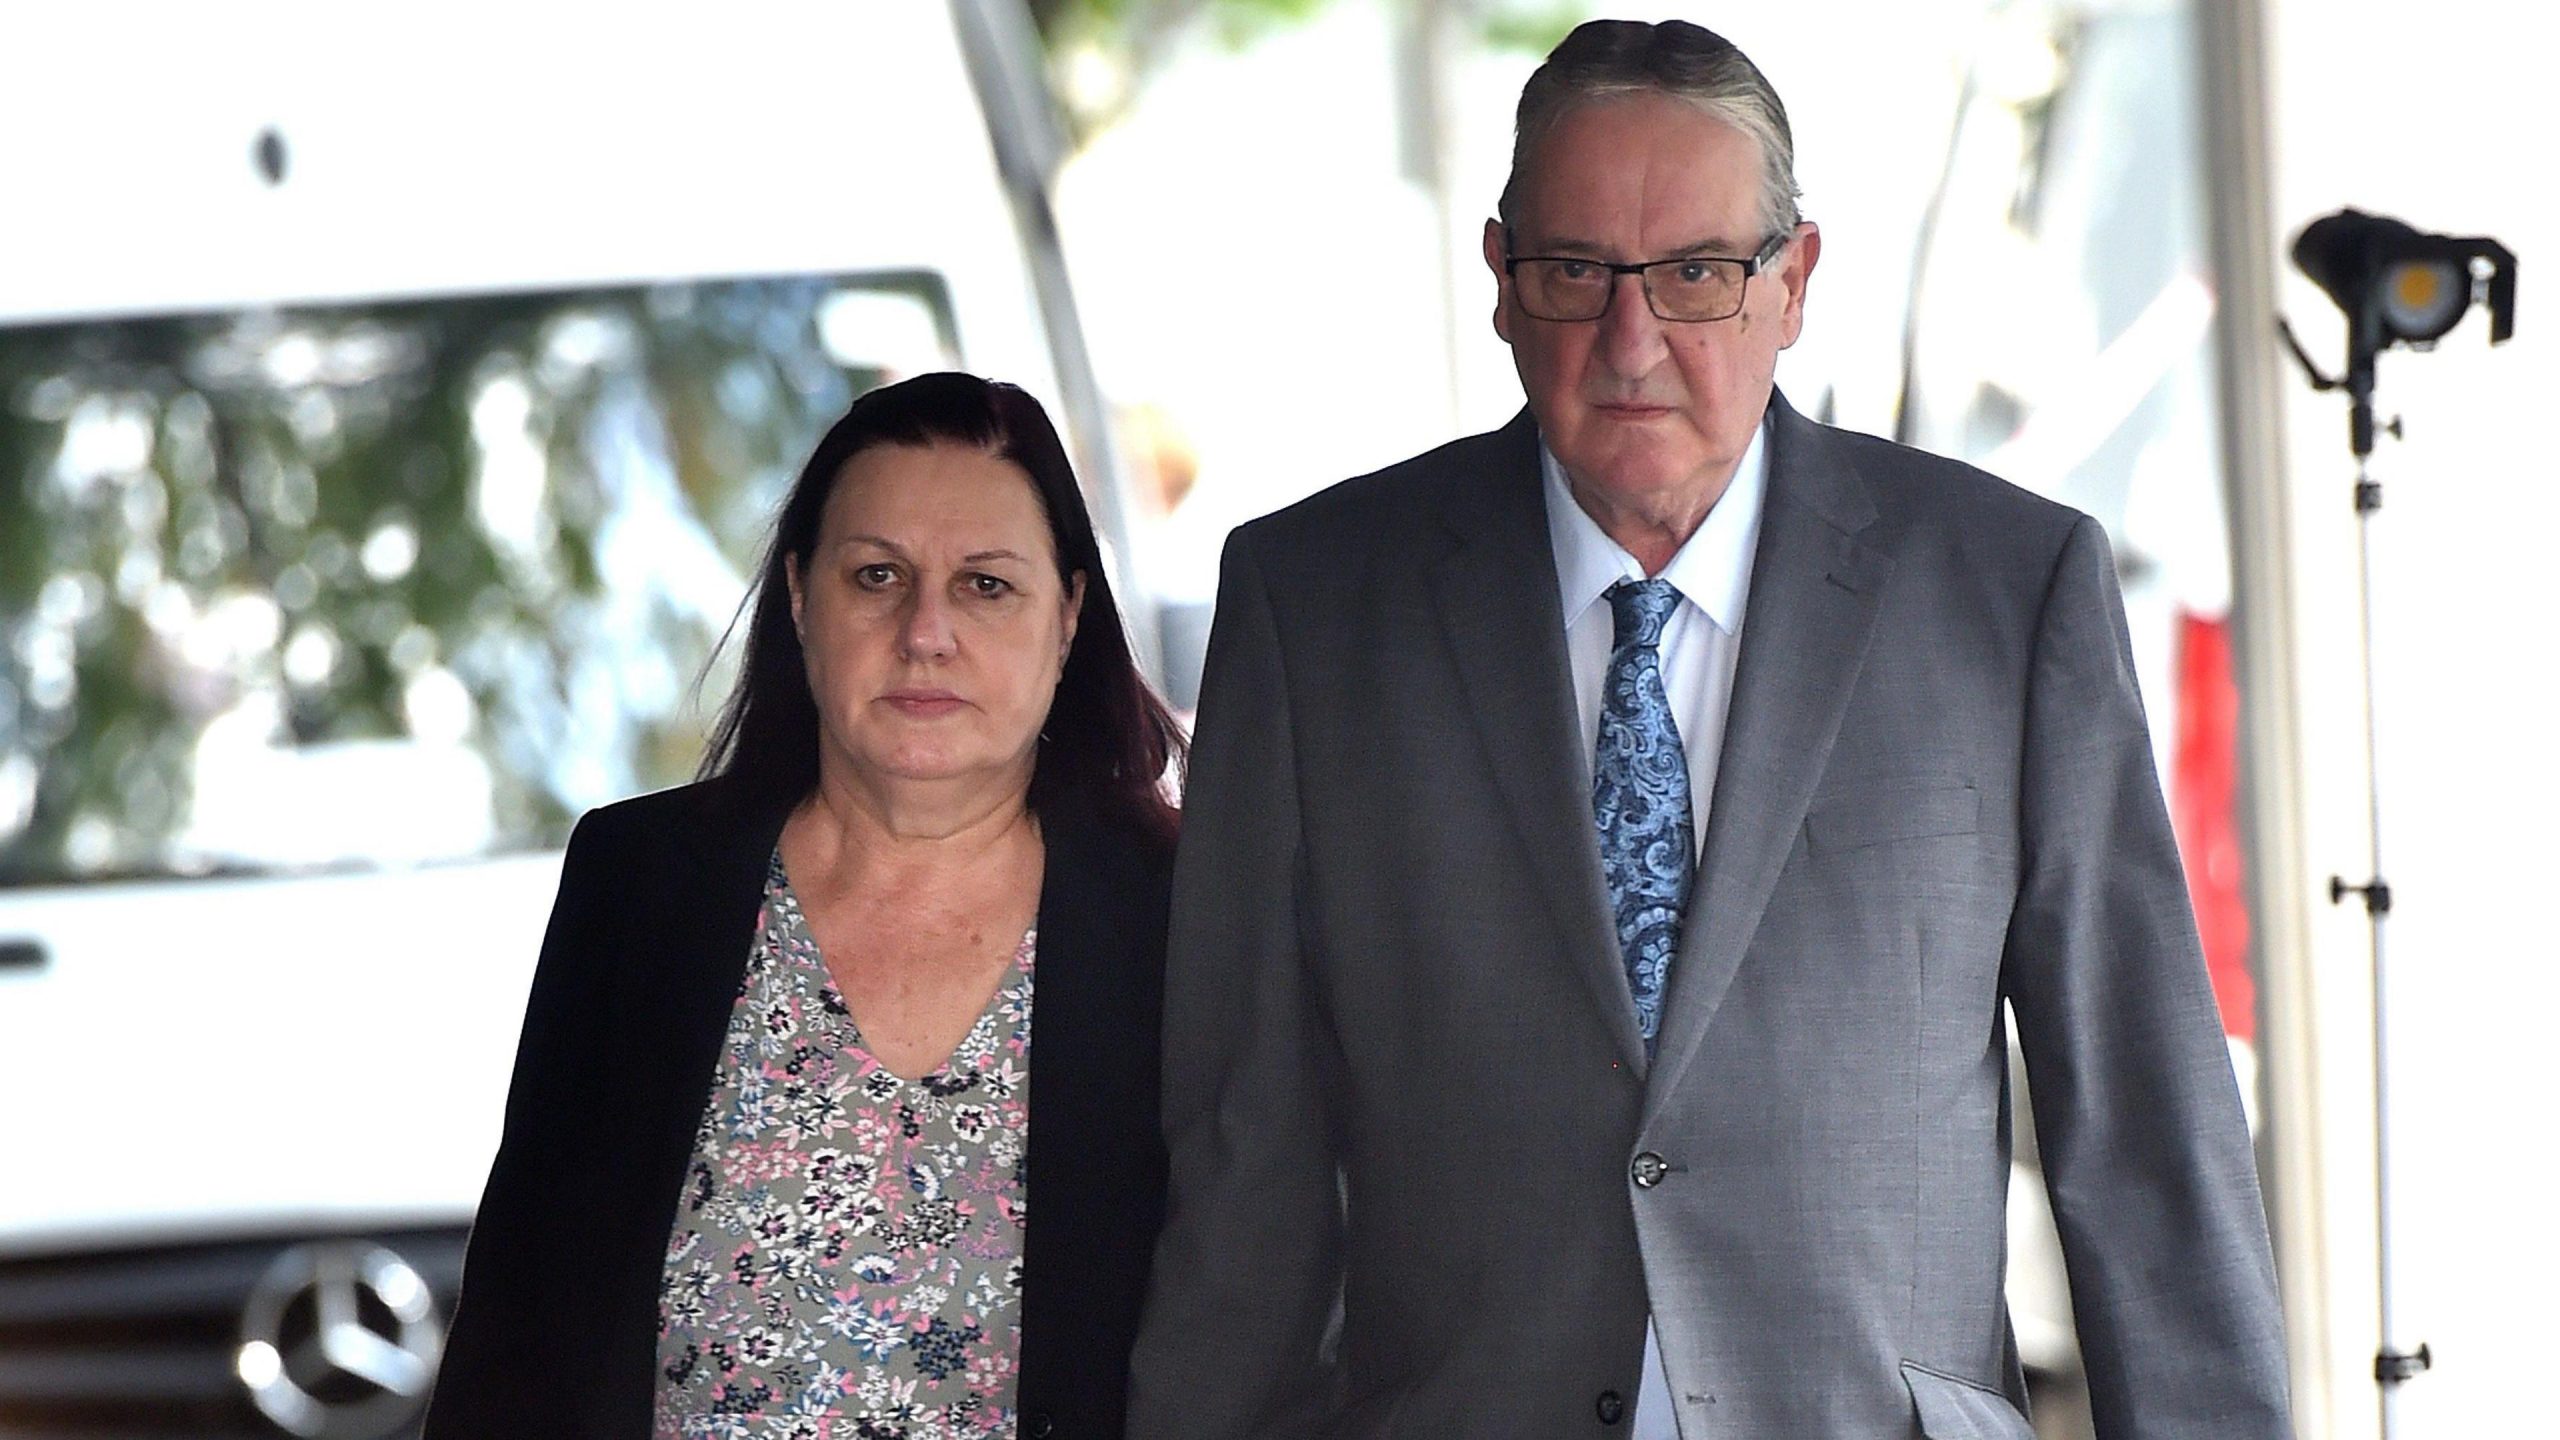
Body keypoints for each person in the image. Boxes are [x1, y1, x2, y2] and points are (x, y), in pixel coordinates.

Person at [1127, 19, 2288, 1440]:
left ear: (1795, 283)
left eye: (1697, 275)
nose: (1635, 340)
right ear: (1500, 282)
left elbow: (2150, 1140)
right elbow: (1249, 1157)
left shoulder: (2002, 591)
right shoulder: (1315, 606)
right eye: (1578, 273)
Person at [424, 372, 1185, 1439]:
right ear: (798, 597)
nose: (925, 631)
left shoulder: (1184, 912)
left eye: (985, 586)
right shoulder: (642, 885)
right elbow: (519, 1331)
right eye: (876, 576)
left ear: (1066, 617)